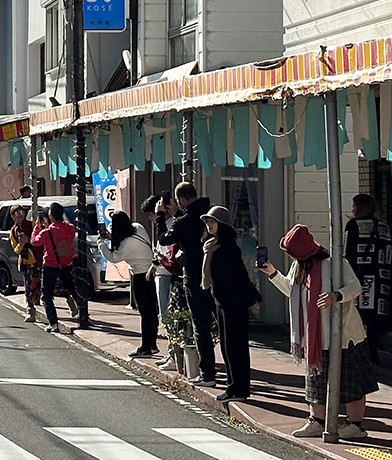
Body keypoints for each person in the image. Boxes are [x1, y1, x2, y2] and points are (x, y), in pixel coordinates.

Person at [261, 224, 378, 440]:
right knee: (315, 382)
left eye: (292, 251)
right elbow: (292, 291)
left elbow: (355, 286)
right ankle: (317, 421)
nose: (291, 256)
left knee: (351, 382)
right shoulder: (299, 266)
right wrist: (273, 274)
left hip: (344, 336)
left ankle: (356, 425)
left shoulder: (335, 263)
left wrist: (336, 295)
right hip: (314, 338)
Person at [160, 181, 218, 385]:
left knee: (200, 325)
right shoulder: (211, 214)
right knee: (225, 326)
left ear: (182, 200)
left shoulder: (184, 221)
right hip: (217, 276)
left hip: (194, 276)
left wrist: (162, 216)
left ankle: (208, 374)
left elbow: (165, 239)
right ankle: (235, 377)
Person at [201, 205, 259, 403]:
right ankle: (233, 386)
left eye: (212, 221)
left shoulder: (228, 246)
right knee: (227, 346)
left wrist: (252, 299)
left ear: (222, 224)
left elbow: (240, 276)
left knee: (236, 346)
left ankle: (239, 388)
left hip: (233, 301)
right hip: (221, 300)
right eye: (207, 221)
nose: (208, 225)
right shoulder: (212, 245)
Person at [98, 210, 159, 358]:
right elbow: (127, 237)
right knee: (152, 312)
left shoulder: (126, 244)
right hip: (151, 273)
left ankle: (145, 347)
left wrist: (101, 243)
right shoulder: (138, 227)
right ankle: (152, 344)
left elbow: (114, 257)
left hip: (140, 276)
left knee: (145, 313)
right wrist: (110, 237)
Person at [343, 193, 391, 365]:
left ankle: (361, 355)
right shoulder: (384, 227)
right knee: (375, 322)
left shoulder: (353, 226)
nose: (352, 209)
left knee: (357, 318)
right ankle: (374, 355)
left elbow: (346, 254)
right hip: (382, 281)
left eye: (354, 206)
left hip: (360, 279)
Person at [143, 192, 178, 370]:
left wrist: (155, 265)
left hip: (166, 276)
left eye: (152, 214)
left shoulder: (168, 225)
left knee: (168, 317)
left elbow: (167, 254)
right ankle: (171, 353)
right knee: (166, 316)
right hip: (161, 274)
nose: (152, 218)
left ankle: (174, 355)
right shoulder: (166, 224)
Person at [32, 201, 78, 332]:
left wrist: (37, 227)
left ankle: (53, 323)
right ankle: (82, 312)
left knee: (46, 295)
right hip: (66, 265)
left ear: (51, 216)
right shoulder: (70, 228)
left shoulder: (46, 232)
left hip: (51, 266)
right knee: (71, 288)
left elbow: (35, 242)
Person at [9, 204, 44, 322]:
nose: (20, 214)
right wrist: (22, 244)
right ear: (13, 216)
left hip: (38, 260)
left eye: (21, 212)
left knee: (42, 285)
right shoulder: (13, 231)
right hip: (26, 262)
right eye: (16, 213)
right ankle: (30, 311)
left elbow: (39, 240)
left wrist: (29, 240)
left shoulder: (32, 225)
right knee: (28, 287)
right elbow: (16, 249)